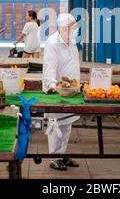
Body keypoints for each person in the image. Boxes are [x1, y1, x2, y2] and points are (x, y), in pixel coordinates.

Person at [42, 13, 80, 171]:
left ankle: (61, 153)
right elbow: (49, 67)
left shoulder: (71, 42)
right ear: (64, 28)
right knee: (56, 125)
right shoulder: (52, 43)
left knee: (66, 125)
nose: (75, 30)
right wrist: (52, 85)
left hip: (70, 91)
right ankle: (54, 157)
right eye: (73, 27)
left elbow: (73, 64)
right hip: (57, 91)